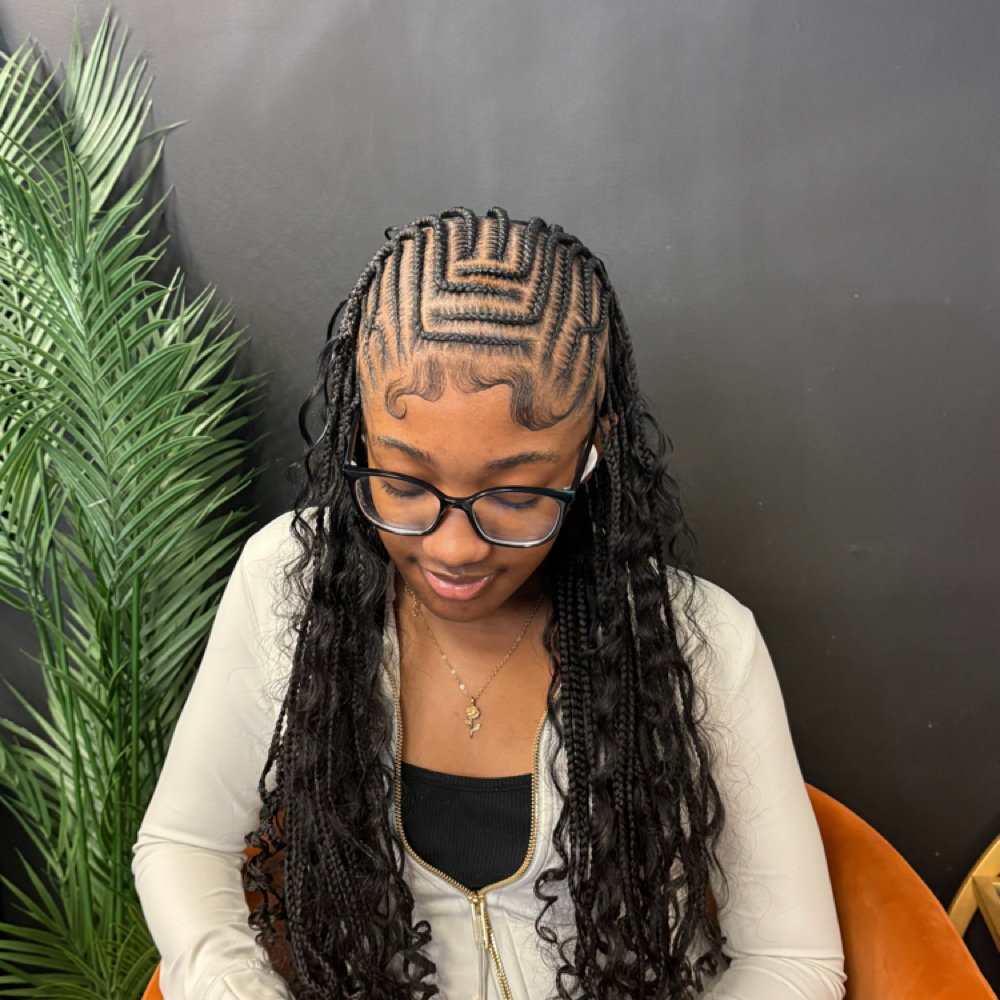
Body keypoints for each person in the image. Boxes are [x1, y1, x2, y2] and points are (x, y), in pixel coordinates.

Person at [132, 207, 847, 1000]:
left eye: (514, 494)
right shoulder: (287, 584)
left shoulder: (703, 641)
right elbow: (184, 846)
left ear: (592, 451)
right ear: (357, 434)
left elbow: (793, 960)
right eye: (404, 483)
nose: (454, 549)